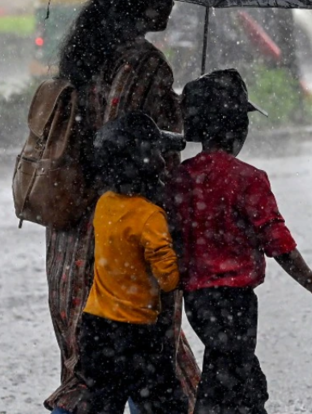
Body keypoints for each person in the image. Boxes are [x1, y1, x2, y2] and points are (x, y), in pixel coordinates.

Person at [45, 0, 200, 414]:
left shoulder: (85, 54)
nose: (172, 3)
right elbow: (143, 145)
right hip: (124, 231)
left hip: (73, 229)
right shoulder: (144, 63)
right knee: (152, 359)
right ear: (140, 1)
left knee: (89, 362)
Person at [168, 69, 312, 414]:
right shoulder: (249, 179)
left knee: (227, 372)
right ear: (238, 128)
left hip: (196, 301)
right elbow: (279, 244)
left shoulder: (180, 179)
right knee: (235, 381)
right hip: (236, 302)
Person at [75, 113, 190, 414]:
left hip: (96, 328)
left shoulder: (104, 204)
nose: (165, 162)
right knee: (167, 405)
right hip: (136, 334)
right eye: (159, 154)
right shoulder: (150, 216)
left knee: (103, 403)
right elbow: (168, 280)